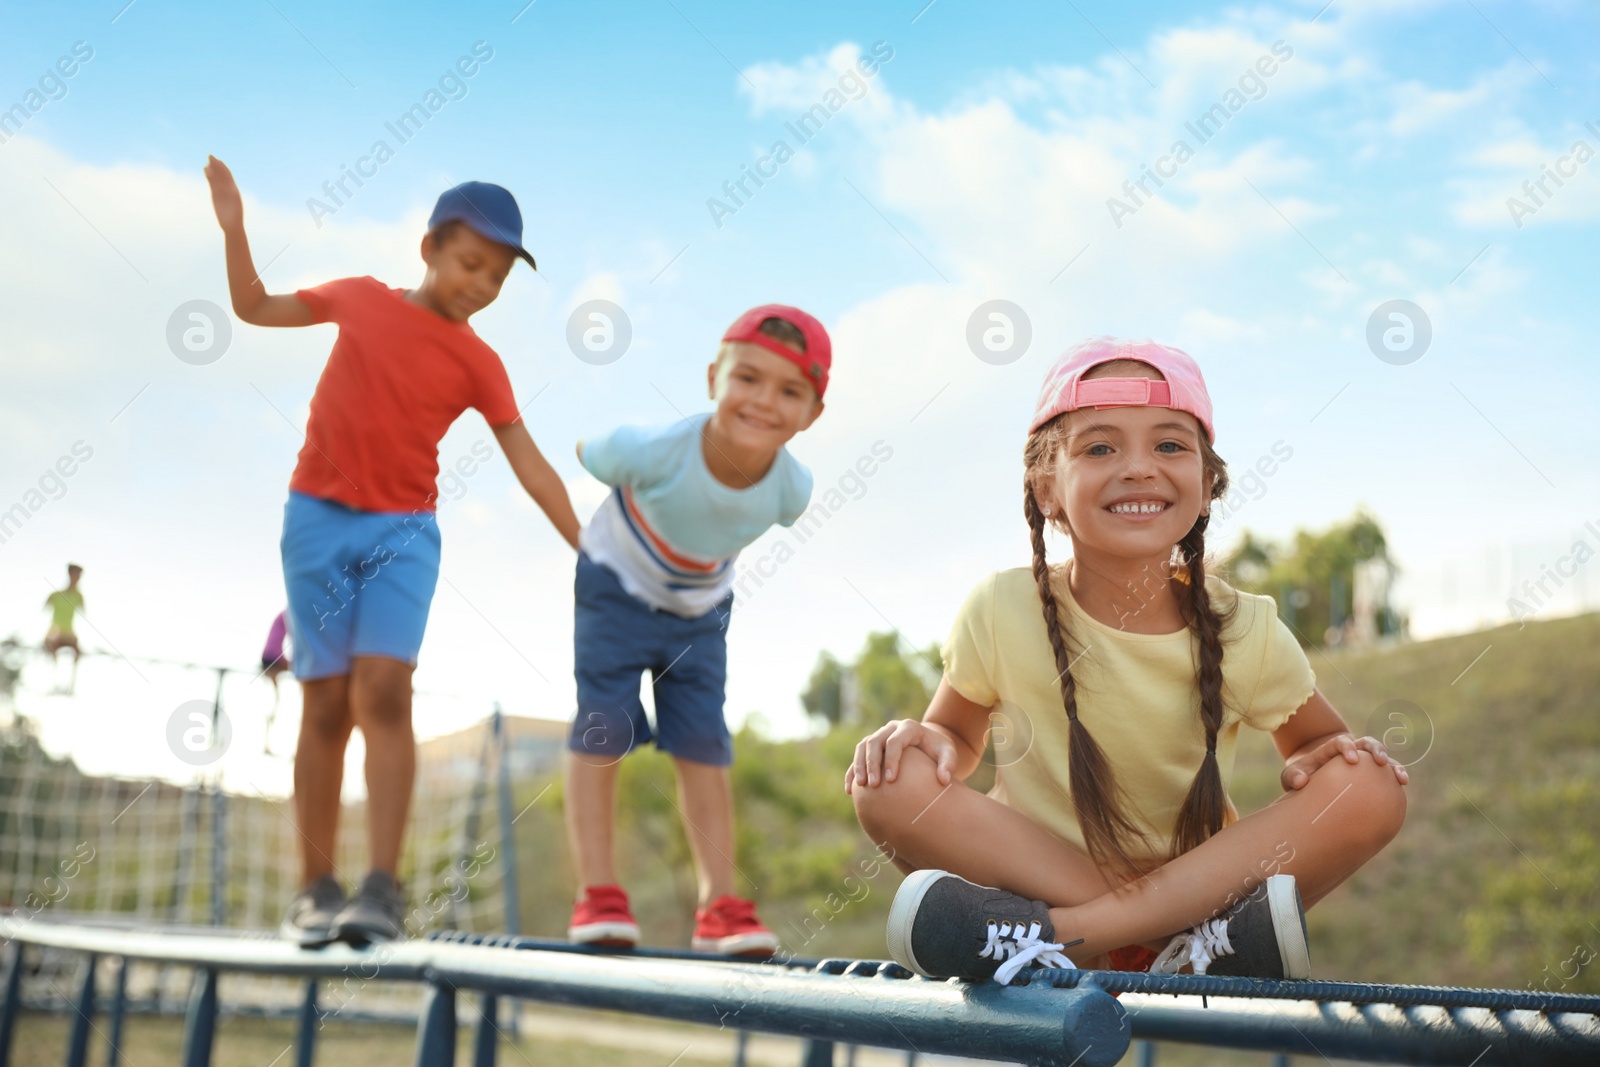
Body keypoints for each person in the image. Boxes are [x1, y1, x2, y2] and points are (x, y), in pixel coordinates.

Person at [848, 338, 1408, 984]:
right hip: (1057, 871)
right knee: (886, 779)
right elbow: (953, 738)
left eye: (1169, 445)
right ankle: (1166, 946)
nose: (1139, 467)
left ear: (1207, 485)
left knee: (1374, 786)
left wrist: (1321, 754)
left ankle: (1058, 937)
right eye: (1100, 447)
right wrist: (924, 738)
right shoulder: (1001, 607)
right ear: (1046, 487)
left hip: (1189, 887)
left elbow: (1321, 741)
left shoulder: (1245, 627)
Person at [204, 156, 581, 946]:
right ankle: (315, 887)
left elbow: (530, 462)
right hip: (316, 518)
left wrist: (588, 546)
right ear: (430, 248)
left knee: (384, 692)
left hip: (404, 533)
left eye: (499, 276)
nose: (482, 283)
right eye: (471, 262)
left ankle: (380, 885)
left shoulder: (479, 362)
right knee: (326, 703)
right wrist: (236, 229)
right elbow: (251, 307)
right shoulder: (361, 300)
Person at [566, 305, 828, 956]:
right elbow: (590, 450)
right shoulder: (651, 450)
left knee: (704, 741)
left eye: (790, 390)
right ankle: (597, 891)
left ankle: (720, 905)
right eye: (747, 378)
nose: (764, 401)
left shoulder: (792, 491)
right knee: (606, 723)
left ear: (812, 413)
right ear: (714, 377)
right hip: (616, 581)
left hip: (700, 608)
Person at [43, 564, 85, 695]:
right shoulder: (55, 595)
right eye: (74, 575)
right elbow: (43, 610)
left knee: (78, 651)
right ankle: (52, 683)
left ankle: (71, 687)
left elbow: (85, 614)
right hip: (54, 632)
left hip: (69, 633)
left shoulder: (79, 597)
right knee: (52, 645)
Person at [260, 609, 292, 753]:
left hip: (268, 657)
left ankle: (268, 742)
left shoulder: (284, 614)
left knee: (275, 699)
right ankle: (268, 742)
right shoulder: (291, 613)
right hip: (274, 658)